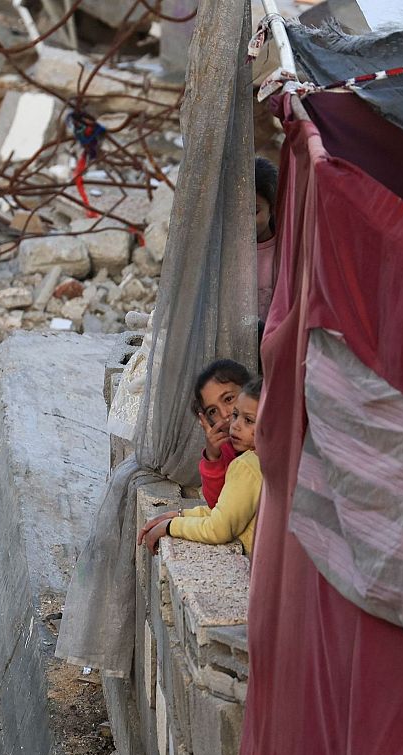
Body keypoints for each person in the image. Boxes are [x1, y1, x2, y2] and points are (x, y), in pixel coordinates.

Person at [142, 378, 262, 556]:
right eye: (236, 415)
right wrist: (180, 514)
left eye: (249, 420)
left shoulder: (248, 465)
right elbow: (227, 509)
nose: (235, 425)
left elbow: (219, 529)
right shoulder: (283, 461)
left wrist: (170, 527)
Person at [192, 359, 251, 507]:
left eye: (229, 399)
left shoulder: (276, 430)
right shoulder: (226, 448)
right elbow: (218, 505)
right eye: (213, 411)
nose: (225, 414)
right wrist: (213, 458)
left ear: (249, 390)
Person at [254, 157, 279, 325]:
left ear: (272, 208)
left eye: (254, 211)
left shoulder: (286, 250)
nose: (245, 220)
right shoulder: (225, 253)